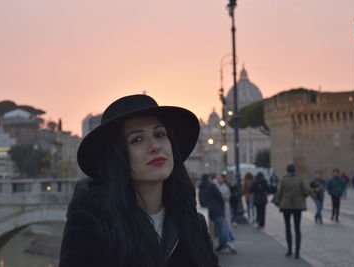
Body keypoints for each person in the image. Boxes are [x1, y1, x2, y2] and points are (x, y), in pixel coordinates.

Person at [59, 94, 219, 267]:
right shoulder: (90, 226)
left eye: (160, 134)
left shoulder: (193, 224)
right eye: (137, 139)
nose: (155, 146)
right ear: (117, 156)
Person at [276, 164, 310, 259]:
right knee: (297, 228)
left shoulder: (283, 179)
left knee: (288, 227)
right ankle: (297, 252)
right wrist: (302, 196)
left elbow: (279, 193)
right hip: (298, 206)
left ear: (287, 170)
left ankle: (289, 250)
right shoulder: (300, 179)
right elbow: (307, 190)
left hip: (286, 205)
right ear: (295, 170)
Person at [200, 174, 237, 254]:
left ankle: (222, 245)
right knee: (223, 226)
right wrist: (221, 206)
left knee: (220, 227)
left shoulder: (201, 188)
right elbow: (219, 196)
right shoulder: (212, 186)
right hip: (217, 209)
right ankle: (228, 241)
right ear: (208, 179)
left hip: (209, 210)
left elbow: (201, 202)